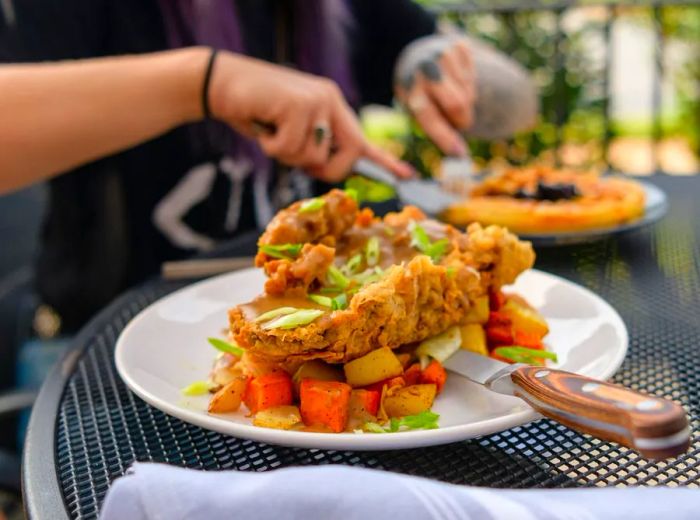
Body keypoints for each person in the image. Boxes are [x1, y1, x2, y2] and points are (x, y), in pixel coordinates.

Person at [1, 0, 536, 332]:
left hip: (319, 334)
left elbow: (518, 105)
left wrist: (430, 54)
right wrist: (204, 83)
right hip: (103, 349)